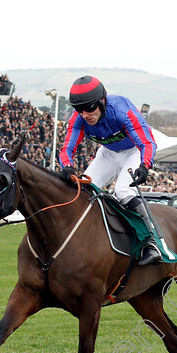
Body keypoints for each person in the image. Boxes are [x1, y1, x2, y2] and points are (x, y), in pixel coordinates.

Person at [58, 75, 161, 265]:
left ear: (102, 102)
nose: (85, 114)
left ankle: (151, 242)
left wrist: (145, 165)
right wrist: (67, 166)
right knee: (83, 190)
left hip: (134, 151)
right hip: (108, 153)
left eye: (89, 107)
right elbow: (66, 149)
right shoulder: (79, 118)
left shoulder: (122, 110)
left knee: (122, 191)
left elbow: (147, 142)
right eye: (79, 109)